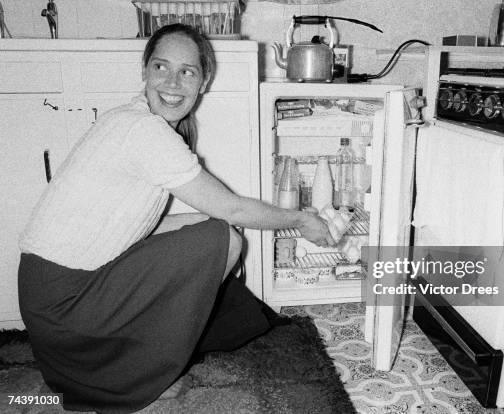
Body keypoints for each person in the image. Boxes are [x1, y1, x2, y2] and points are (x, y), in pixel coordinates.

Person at [17, 23, 334, 413]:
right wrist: (301, 220)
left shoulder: (134, 121)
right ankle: (143, 360)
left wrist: (208, 221)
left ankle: (156, 342)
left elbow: (142, 229)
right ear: (145, 71)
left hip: (48, 302)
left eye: (188, 71)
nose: (173, 81)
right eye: (161, 67)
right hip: (66, 305)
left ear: (203, 82)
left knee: (215, 230)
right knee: (226, 239)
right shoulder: (143, 131)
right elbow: (230, 208)